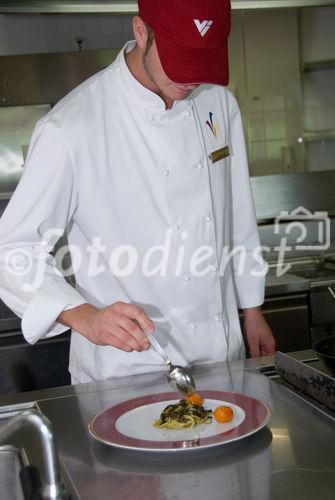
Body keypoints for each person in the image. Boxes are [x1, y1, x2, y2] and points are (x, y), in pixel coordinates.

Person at [0, 0, 275, 384]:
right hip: (126, 369)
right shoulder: (71, 126)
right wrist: (84, 317)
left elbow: (237, 213)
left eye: (203, 61)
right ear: (141, 32)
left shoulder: (218, 103)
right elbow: (12, 249)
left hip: (221, 357)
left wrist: (252, 310)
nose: (191, 80)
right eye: (180, 59)